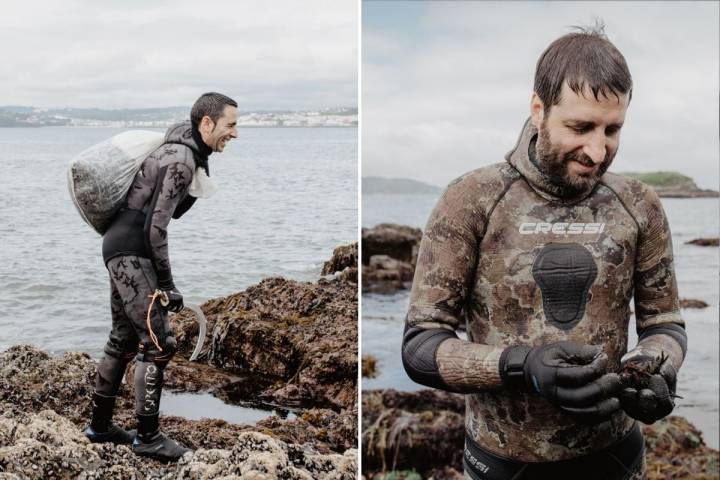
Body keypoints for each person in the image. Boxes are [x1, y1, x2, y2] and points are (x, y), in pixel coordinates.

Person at [401, 24, 686, 480]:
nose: (597, 150)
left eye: (613, 130)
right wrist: (523, 368)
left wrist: (652, 367)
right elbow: (421, 347)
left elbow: (665, 323)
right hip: (504, 464)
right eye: (580, 127)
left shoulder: (639, 205)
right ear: (539, 109)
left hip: (616, 458)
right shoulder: (472, 198)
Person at [83, 92, 238, 461]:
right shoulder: (182, 159)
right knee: (159, 344)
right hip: (133, 252)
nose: (235, 133)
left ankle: (100, 427)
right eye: (230, 124)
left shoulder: (180, 151)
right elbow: (157, 227)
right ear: (206, 123)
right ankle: (148, 437)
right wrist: (167, 284)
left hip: (118, 248)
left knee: (122, 339)